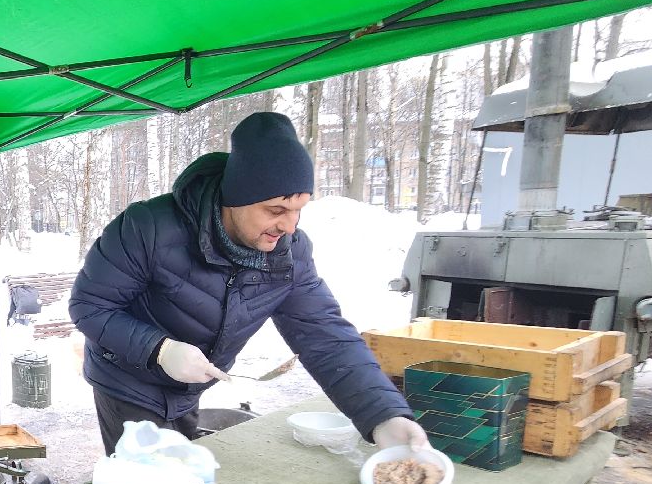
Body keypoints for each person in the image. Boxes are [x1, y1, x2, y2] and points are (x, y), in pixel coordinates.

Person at [68, 110, 429, 456]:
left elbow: (325, 335)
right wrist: (159, 350)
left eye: (298, 209)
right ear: (235, 199)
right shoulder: (147, 227)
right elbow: (89, 305)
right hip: (129, 380)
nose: (289, 225)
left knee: (182, 476)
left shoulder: (288, 254)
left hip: (191, 385)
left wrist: (385, 416)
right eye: (276, 210)